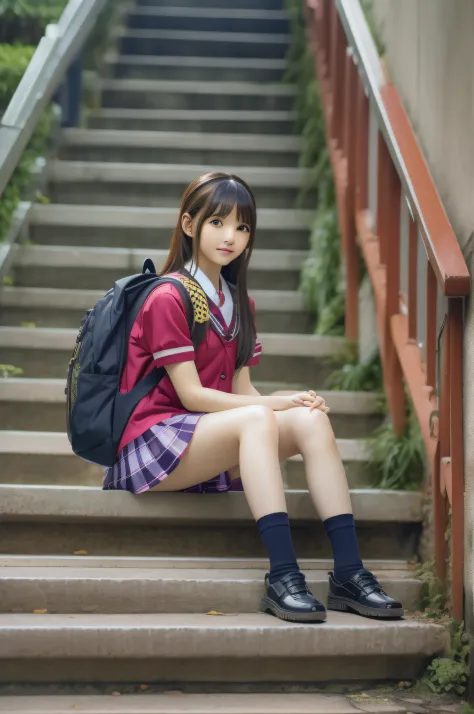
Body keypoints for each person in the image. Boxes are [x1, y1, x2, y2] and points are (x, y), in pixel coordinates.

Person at [104, 172, 404, 623]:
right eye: (218, 223)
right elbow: (192, 396)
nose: (231, 237)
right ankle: (283, 575)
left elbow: (242, 393)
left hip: (205, 438)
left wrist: (288, 402)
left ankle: (349, 573)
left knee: (309, 419)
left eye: (242, 227)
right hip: (153, 442)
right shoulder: (168, 295)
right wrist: (269, 407)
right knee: (260, 419)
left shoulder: (239, 301)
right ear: (190, 225)